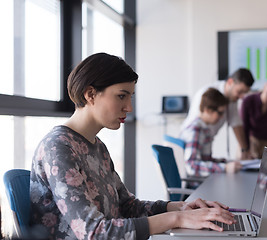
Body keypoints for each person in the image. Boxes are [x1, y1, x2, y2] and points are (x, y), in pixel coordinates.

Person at [29, 53, 237, 240]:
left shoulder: (97, 146)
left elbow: (127, 206)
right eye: (121, 96)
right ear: (90, 94)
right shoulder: (58, 148)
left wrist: (180, 207)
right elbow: (94, 232)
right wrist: (176, 219)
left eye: (130, 97)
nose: (129, 107)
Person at [181, 68, 255, 159]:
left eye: (245, 93)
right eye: (239, 92)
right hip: (193, 145)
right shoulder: (207, 95)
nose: (241, 97)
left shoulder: (232, 98)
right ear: (230, 82)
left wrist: (244, 150)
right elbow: (193, 165)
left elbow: (236, 123)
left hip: (205, 146)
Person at [179, 88, 242, 184]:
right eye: (220, 113)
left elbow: (205, 160)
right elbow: (192, 166)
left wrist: (225, 162)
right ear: (207, 110)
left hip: (204, 182)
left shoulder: (204, 128)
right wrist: (224, 168)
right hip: (198, 186)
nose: (221, 117)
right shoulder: (196, 130)